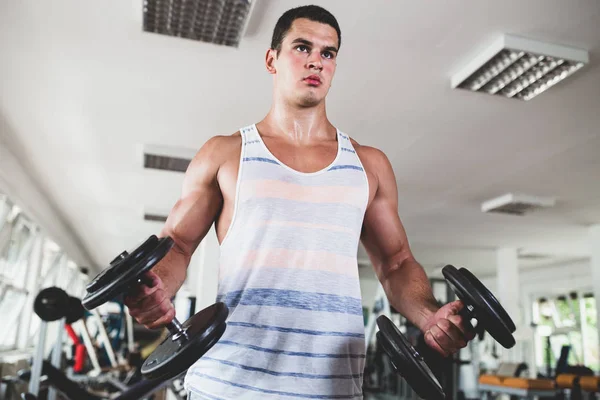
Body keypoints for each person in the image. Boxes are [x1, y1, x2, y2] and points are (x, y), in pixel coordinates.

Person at [125, 5, 474, 399]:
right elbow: (178, 244)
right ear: (271, 59)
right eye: (302, 47)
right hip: (229, 384)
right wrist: (157, 292)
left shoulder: (368, 164)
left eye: (328, 53)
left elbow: (396, 263)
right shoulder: (225, 153)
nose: (316, 62)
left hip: (330, 388)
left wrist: (431, 317)